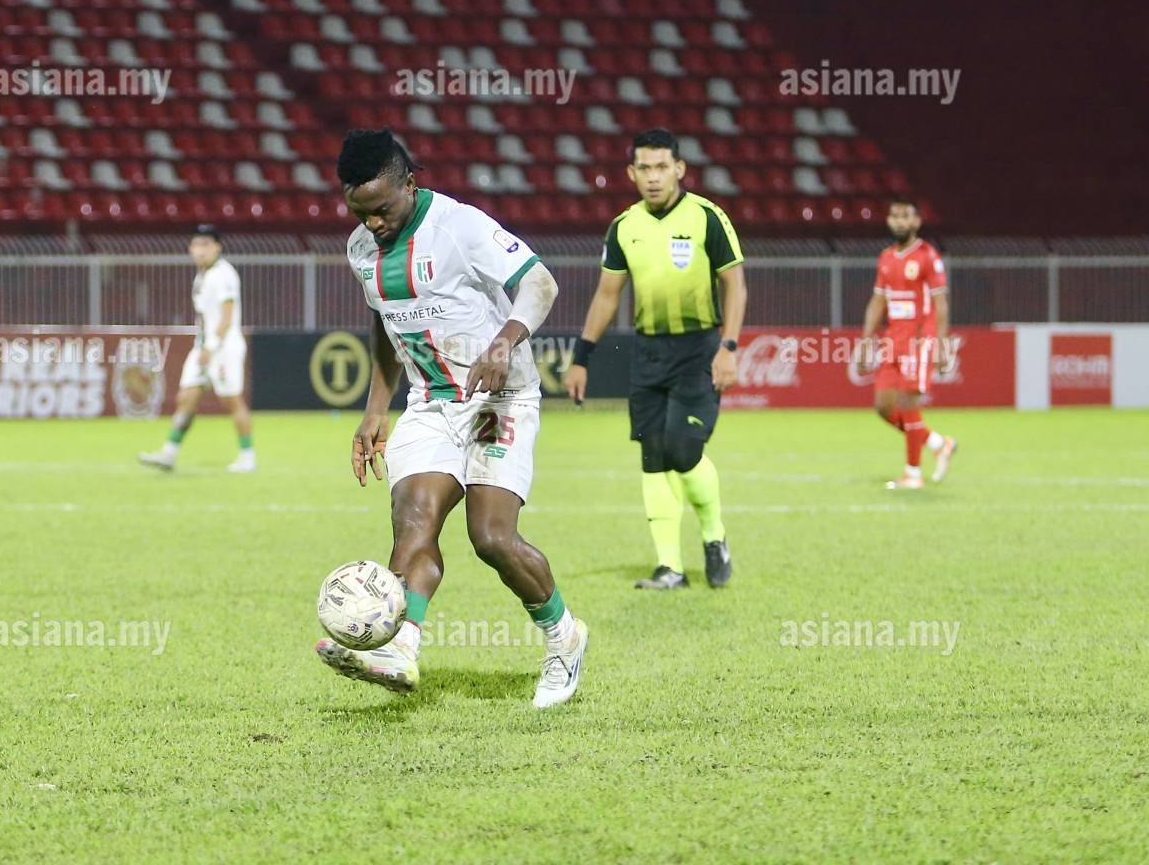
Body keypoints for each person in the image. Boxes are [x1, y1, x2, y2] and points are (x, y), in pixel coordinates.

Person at [316, 128, 587, 709]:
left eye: (382, 210)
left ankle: (564, 637)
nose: (373, 225)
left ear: (410, 185)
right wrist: (374, 409)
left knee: (491, 538)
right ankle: (399, 648)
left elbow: (540, 283)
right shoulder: (361, 249)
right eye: (360, 213)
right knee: (414, 519)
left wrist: (503, 342)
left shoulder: (459, 227)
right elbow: (384, 321)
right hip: (429, 402)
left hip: (499, 397)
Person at [563, 128, 747, 591]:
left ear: (679, 169)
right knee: (653, 456)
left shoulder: (707, 217)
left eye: (662, 167)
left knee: (684, 450)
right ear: (631, 173)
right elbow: (607, 295)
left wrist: (728, 347)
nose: (653, 177)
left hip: (698, 349)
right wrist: (582, 356)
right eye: (644, 168)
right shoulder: (624, 226)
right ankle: (670, 567)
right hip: (648, 352)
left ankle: (714, 536)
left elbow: (735, 284)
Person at [856, 199, 958, 490]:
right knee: (883, 406)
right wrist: (865, 340)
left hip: (919, 339)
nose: (899, 221)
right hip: (893, 340)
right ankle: (938, 443)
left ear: (916, 221)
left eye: (905, 216)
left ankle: (913, 474)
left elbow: (940, 303)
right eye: (895, 216)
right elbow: (878, 301)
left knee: (907, 402)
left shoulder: (928, 256)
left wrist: (942, 344)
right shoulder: (886, 257)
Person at [138, 224, 256, 474]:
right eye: (196, 245)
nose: (200, 250)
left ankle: (247, 456)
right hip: (203, 347)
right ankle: (169, 453)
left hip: (223, 348)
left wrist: (211, 347)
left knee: (232, 400)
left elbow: (227, 317)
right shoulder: (202, 275)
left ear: (217, 248)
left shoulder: (223, 274)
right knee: (186, 398)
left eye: (206, 245)